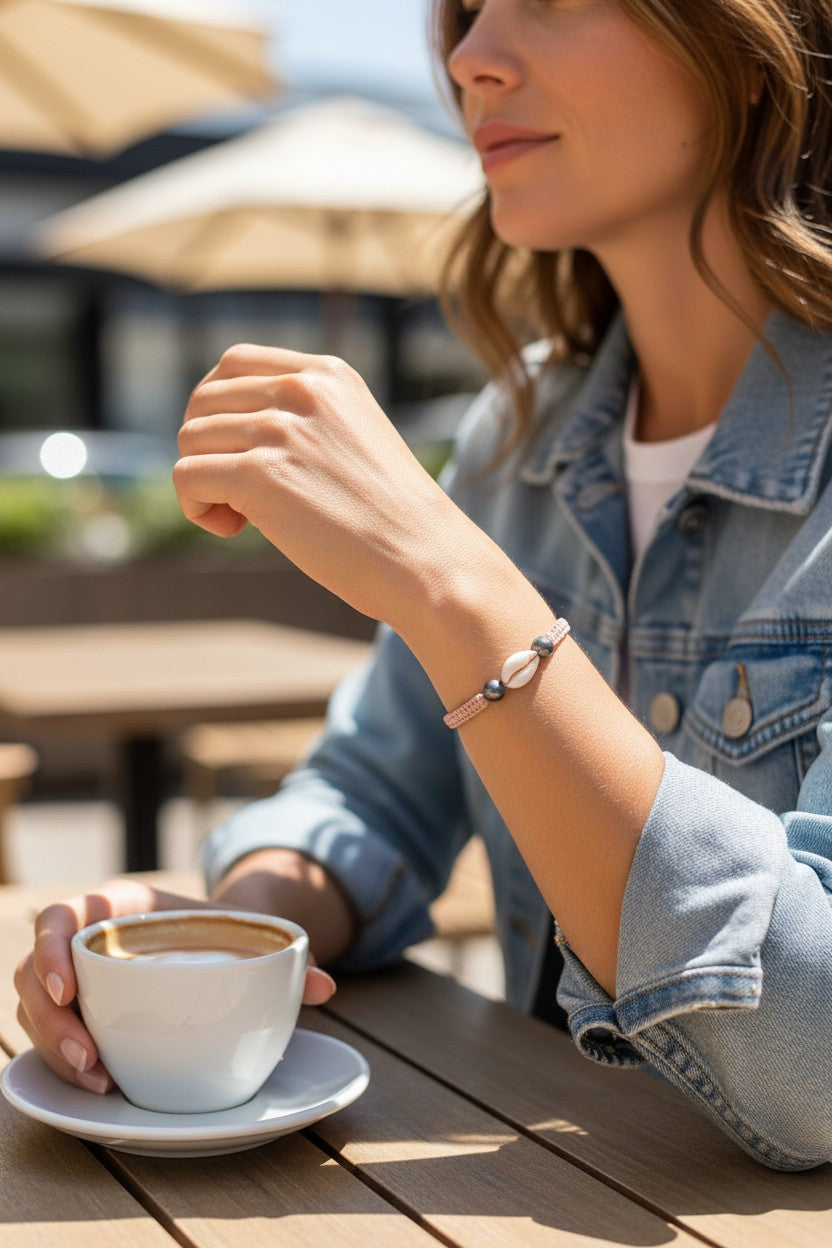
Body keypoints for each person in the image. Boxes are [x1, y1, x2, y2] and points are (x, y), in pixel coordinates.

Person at [15, 0, 832, 1170]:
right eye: (463, 12)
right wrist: (222, 939)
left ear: (752, 51)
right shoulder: (517, 437)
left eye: (542, 2)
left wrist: (450, 581)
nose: (467, 58)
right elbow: (372, 795)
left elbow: (816, 1061)